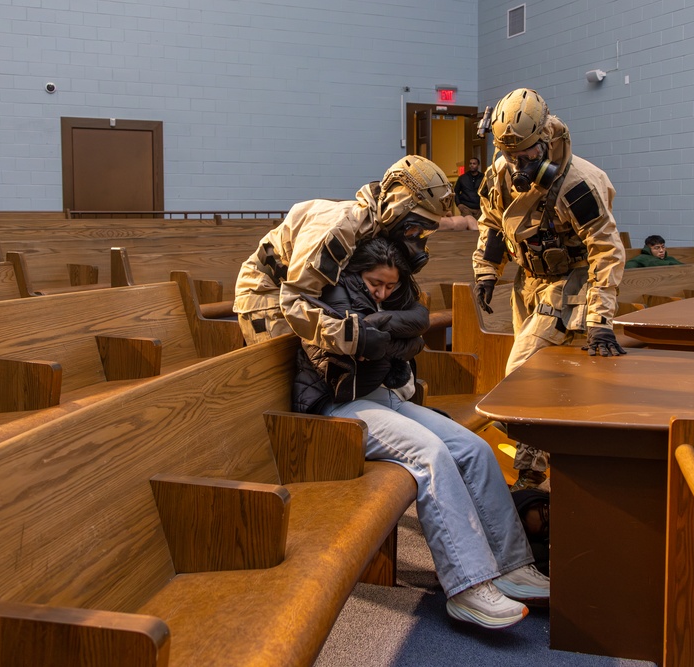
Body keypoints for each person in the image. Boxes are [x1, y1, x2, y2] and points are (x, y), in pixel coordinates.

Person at [292, 235, 550, 630]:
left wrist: (388, 332)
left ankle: (512, 565)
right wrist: (392, 337)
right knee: (430, 454)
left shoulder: (386, 297)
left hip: (381, 397)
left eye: (390, 286)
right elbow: (369, 345)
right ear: (356, 273)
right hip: (339, 407)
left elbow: (415, 326)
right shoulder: (331, 293)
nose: (382, 292)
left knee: (474, 448)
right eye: (375, 283)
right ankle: (468, 587)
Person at [472, 88, 626, 491]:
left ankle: (542, 466)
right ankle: (530, 474)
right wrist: (487, 269)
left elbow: (607, 250)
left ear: (546, 140)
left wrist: (600, 320)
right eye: (510, 155)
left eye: (525, 156)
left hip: (570, 284)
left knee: (519, 375)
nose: (517, 165)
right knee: (544, 382)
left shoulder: (577, 182)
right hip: (528, 283)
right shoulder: (501, 172)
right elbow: (491, 222)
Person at [233, 155, 453, 346]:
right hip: (267, 294)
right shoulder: (339, 231)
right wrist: (355, 339)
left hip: (304, 294)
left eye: (425, 232)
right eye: (414, 228)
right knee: (286, 376)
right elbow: (296, 301)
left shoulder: (380, 227)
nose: (417, 239)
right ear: (395, 209)